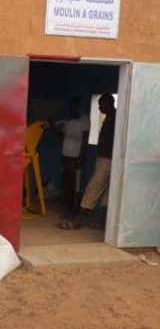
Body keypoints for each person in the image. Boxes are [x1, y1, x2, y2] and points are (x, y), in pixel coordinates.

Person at [58, 94, 116, 230]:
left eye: (102, 104)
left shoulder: (115, 118)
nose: (100, 107)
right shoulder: (108, 118)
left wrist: (81, 156)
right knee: (105, 193)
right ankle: (103, 224)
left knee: (92, 189)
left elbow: (86, 139)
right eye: (99, 104)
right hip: (105, 158)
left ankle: (78, 220)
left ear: (110, 103)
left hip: (108, 159)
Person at [50, 98, 91, 218]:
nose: (72, 109)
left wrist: (81, 157)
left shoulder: (84, 120)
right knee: (66, 183)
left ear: (79, 107)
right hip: (66, 155)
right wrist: (53, 127)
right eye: (71, 107)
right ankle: (68, 208)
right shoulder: (69, 122)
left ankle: (74, 211)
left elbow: (85, 139)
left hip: (75, 157)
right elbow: (63, 137)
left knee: (74, 185)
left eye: (74, 107)